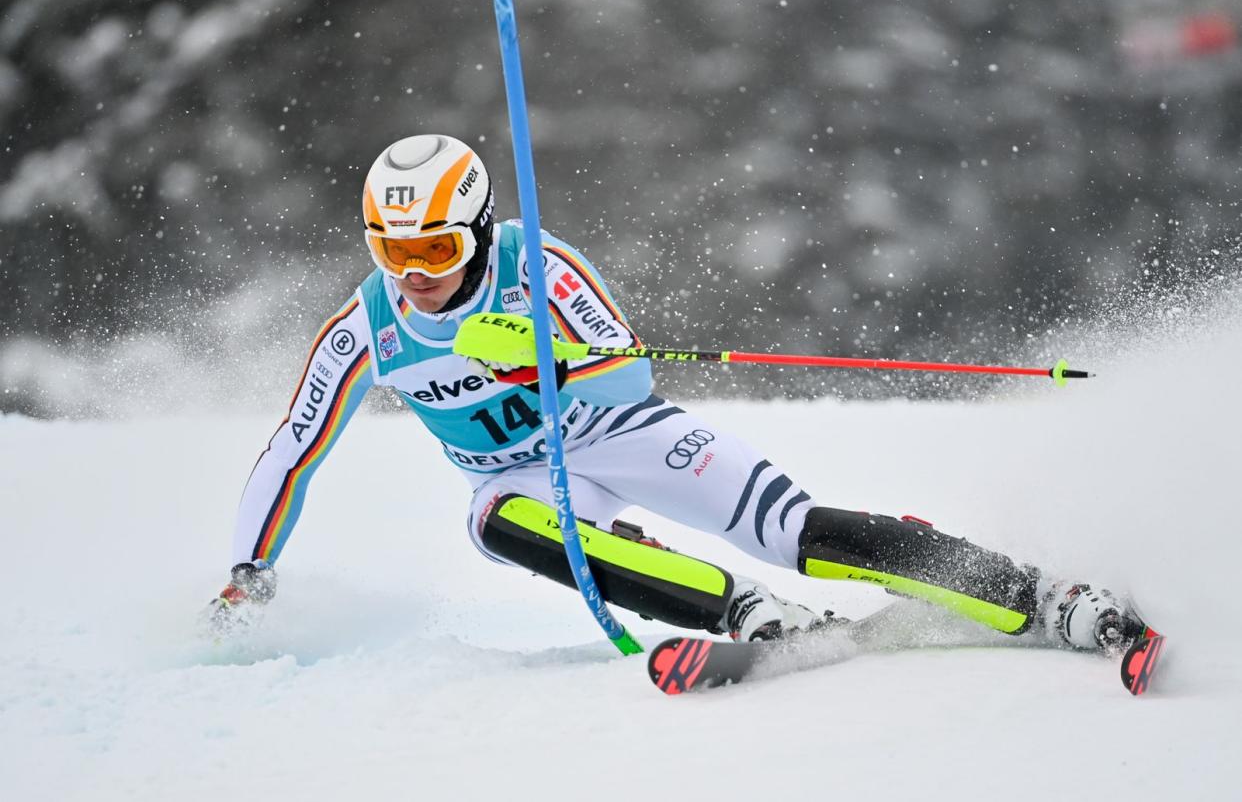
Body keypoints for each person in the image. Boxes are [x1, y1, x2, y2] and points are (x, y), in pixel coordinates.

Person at [210, 134, 1140, 653]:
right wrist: (252, 567)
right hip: (521, 476)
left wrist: (543, 362)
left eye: (435, 252)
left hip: (620, 431)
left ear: (477, 230)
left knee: (796, 528)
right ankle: (744, 612)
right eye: (393, 252)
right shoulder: (365, 327)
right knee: (496, 524)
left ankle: (1039, 595)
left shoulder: (539, 264)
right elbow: (294, 448)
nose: (414, 275)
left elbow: (629, 368)